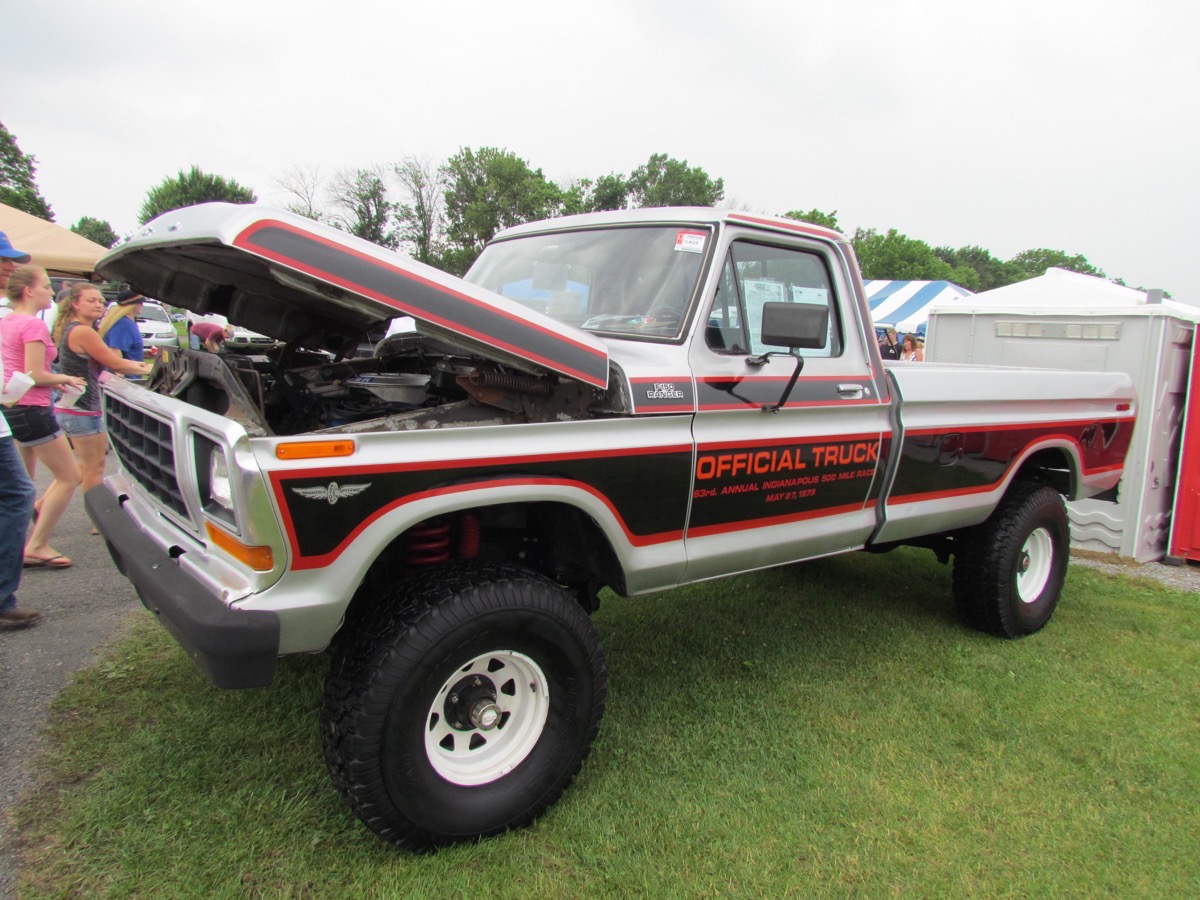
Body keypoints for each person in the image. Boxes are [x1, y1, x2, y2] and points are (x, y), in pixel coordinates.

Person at [0, 265, 87, 570]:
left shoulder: (7, 321)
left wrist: (54, 379)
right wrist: (65, 377)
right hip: (34, 408)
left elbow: (19, 370)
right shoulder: (33, 326)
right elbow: (34, 373)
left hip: (14, 406)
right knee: (70, 476)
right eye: (47, 286)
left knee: (23, 479)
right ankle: (37, 544)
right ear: (29, 290)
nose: (52, 292)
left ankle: (28, 528)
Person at [52, 283, 153, 508]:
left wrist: (139, 364)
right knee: (93, 468)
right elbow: (114, 362)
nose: (98, 304)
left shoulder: (74, 327)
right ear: (75, 304)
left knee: (81, 468)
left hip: (74, 407)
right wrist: (149, 369)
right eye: (91, 300)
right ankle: (97, 515)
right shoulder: (83, 331)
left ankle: (42, 505)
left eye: (100, 300)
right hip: (83, 409)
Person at [0, 237, 39, 626]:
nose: (10, 267)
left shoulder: (5, 316)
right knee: (20, 493)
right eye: (5, 260)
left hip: (10, 411)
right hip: (23, 408)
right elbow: (34, 371)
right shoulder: (25, 322)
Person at [100, 288, 146, 368]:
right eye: (141, 302)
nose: (142, 305)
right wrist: (119, 375)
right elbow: (115, 351)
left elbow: (126, 352)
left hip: (132, 373)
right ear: (133, 305)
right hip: (126, 375)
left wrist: (141, 352)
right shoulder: (123, 324)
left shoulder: (128, 322)